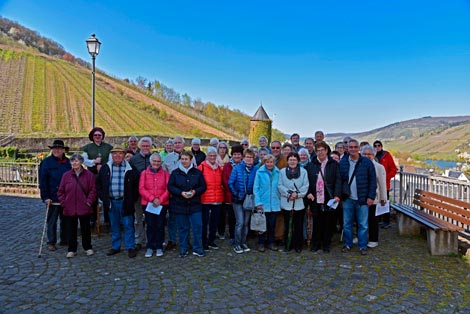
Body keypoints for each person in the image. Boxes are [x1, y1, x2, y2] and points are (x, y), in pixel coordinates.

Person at [97, 147, 140, 258]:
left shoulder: (131, 168)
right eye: (115, 154)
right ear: (111, 155)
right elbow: (98, 184)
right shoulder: (106, 168)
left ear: (124, 155)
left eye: (120, 154)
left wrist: (132, 199)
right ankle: (116, 246)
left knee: (128, 225)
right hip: (112, 201)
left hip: (125, 201)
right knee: (114, 225)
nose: (117, 156)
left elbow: (136, 186)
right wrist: (104, 198)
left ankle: (130, 247)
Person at [339, 139, 377, 255]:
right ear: (348, 148)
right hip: (348, 198)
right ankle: (347, 244)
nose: (353, 149)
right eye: (351, 147)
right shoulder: (343, 161)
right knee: (347, 224)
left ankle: (362, 246)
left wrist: (371, 196)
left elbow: (372, 181)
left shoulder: (367, 162)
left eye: (355, 147)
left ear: (359, 148)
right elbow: (340, 180)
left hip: (362, 198)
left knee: (363, 225)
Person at [168, 151, 207, 257]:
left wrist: (195, 191)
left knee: (197, 227)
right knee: (183, 228)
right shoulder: (175, 173)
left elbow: (203, 186)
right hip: (180, 205)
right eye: (182, 159)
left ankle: (197, 248)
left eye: (186, 159)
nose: (184, 161)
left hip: (195, 205)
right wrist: (180, 193)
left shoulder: (197, 172)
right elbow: (170, 187)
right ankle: (184, 248)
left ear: (191, 160)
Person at [57, 153, 97, 258]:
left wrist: (89, 202)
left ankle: (87, 247)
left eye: (77, 160)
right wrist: (64, 203)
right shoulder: (66, 175)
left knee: (85, 229)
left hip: (84, 206)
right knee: (71, 229)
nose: (74, 163)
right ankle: (72, 249)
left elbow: (93, 190)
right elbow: (61, 191)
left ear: (81, 162)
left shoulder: (89, 175)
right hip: (69, 207)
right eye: (72, 161)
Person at [306, 142, 342, 253]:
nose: (320, 152)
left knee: (328, 223)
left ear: (326, 151)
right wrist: (308, 192)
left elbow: (338, 180)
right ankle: (315, 244)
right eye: (318, 150)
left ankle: (326, 245)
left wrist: (337, 195)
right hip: (315, 198)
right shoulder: (311, 165)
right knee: (316, 222)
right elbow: (306, 181)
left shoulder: (334, 164)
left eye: (322, 150)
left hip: (329, 197)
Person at [163, 136, 197, 251]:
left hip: (188, 194)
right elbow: (164, 175)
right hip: (174, 193)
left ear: (183, 144)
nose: (177, 145)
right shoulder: (168, 158)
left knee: (186, 220)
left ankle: (186, 241)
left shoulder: (191, 157)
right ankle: (172, 240)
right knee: (172, 219)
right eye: (175, 143)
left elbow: (195, 173)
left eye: (179, 143)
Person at [39, 140, 71, 251]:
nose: (57, 150)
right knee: (52, 221)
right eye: (55, 148)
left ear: (63, 150)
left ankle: (65, 239)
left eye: (59, 148)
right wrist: (45, 197)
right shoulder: (46, 162)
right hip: (52, 197)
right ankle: (51, 242)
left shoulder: (68, 162)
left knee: (66, 220)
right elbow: (42, 181)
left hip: (66, 197)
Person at [81, 127, 113, 227]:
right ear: (92, 136)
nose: (97, 137)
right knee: (92, 196)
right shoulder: (87, 148)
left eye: (99, 135)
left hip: (105, 175)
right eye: (95, 135)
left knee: (106, 196)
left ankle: (108, 219)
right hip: (92, 175)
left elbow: (111, 160)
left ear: (102, 136)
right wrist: (94, 162)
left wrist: (103, 167)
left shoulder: (108, 147)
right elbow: (83, 160)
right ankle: (92, 219)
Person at [139, 153, 169, 258]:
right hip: (148, 204)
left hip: (162, 204)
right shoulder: (144, 173)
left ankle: (159, 246)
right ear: (150, 162)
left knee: (160, 225)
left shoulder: (165, 173)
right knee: (150, 225)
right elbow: (141, 188)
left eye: (158, 161)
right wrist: (152, 199)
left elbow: (168, 188)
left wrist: (160, 199)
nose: (156, 163)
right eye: (154, 161)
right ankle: (150, 246)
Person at [228, 148, 258, 254]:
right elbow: (230, 183)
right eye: (247, 157)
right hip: (238, 200)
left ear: (254, 158)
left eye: (251, 157)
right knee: (239, 222)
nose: (249, 159)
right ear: (243, 158)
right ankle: (237, 244)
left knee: (246, 223)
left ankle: (243, 242)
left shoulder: (255, 169)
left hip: (249, 200)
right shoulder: (237, 168)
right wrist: (236, 194)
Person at [278, 152, 309, 253]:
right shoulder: (282, 172)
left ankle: (298, 245)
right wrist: (289, 194)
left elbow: (305, 186)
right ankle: (288, 244)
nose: (292, 161)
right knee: (287, 225)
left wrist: (297, 194)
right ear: (287, 161)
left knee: (298, 225)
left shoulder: (303, 172)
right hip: (287, 202)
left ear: (298, 161)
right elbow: (280, 185)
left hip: (299, 203)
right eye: (290, 160)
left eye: (294, 160)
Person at [361, 145, 387, 248]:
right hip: (361, 196)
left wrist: (383, 198)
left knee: (373, 219)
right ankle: (361, 237)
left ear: (374, 155)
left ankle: (373, 239)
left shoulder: (379, 167)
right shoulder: (359, 165)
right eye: (365, 154)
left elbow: (382, 183)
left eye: (369, 154)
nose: (367, 156)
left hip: (374, 197)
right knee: (361, 219)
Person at [198, 147, 224, 250]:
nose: (212, 157)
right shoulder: (201, 167)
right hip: (205, 199)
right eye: (210, 155)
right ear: (207, 156)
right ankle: (204, 242)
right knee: (204, 222)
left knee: (214, 222)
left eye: (214, 155)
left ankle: (211, 240)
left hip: (217, 199)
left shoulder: (219, 168)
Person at [129, 137, 153, 251]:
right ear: (140, 147)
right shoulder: (134, 159)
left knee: (150, 218)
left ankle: (150, 239)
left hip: (151, 194)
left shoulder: (154, 158)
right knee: (138, 218)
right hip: (138, 194)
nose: (145, 148)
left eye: (147, 146)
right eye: (143, 146)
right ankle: (138, 240)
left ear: (151, 147)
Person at [253, 154, 281, 252]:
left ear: (274, 163)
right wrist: (258, 202)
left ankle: (271, 242)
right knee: (262, 225)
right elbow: (255, 188)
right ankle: (261, 243)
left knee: (272, 225)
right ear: (264, 162)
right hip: (263, 202)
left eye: (271, 162)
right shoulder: (259, 172)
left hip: (274, 202)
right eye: (267, 162)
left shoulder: (278, 172)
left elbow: (280, 187)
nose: (269, 164)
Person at [219, 145, 244, 242]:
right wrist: (234, 191)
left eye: (238, 154)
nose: (237, 156)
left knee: (241, 217)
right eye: (235, 154)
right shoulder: (227, 166)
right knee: (231, 217)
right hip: (230, 195)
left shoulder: (245, 165)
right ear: (232, 155)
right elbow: (225, 181)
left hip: (242, 195)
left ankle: (241, 235)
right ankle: (232, 235)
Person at [373, 140, 397, 229]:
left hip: (384, 184)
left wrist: (386, 177)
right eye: (375, 146)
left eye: (379, 145)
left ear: (381, 146)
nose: (377, 147)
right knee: (376, 202)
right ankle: (377, 220)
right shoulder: (372, 156)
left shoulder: (386, 155)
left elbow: (393, 169)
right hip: (374, 184)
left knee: (384, 202)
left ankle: (386, 221)